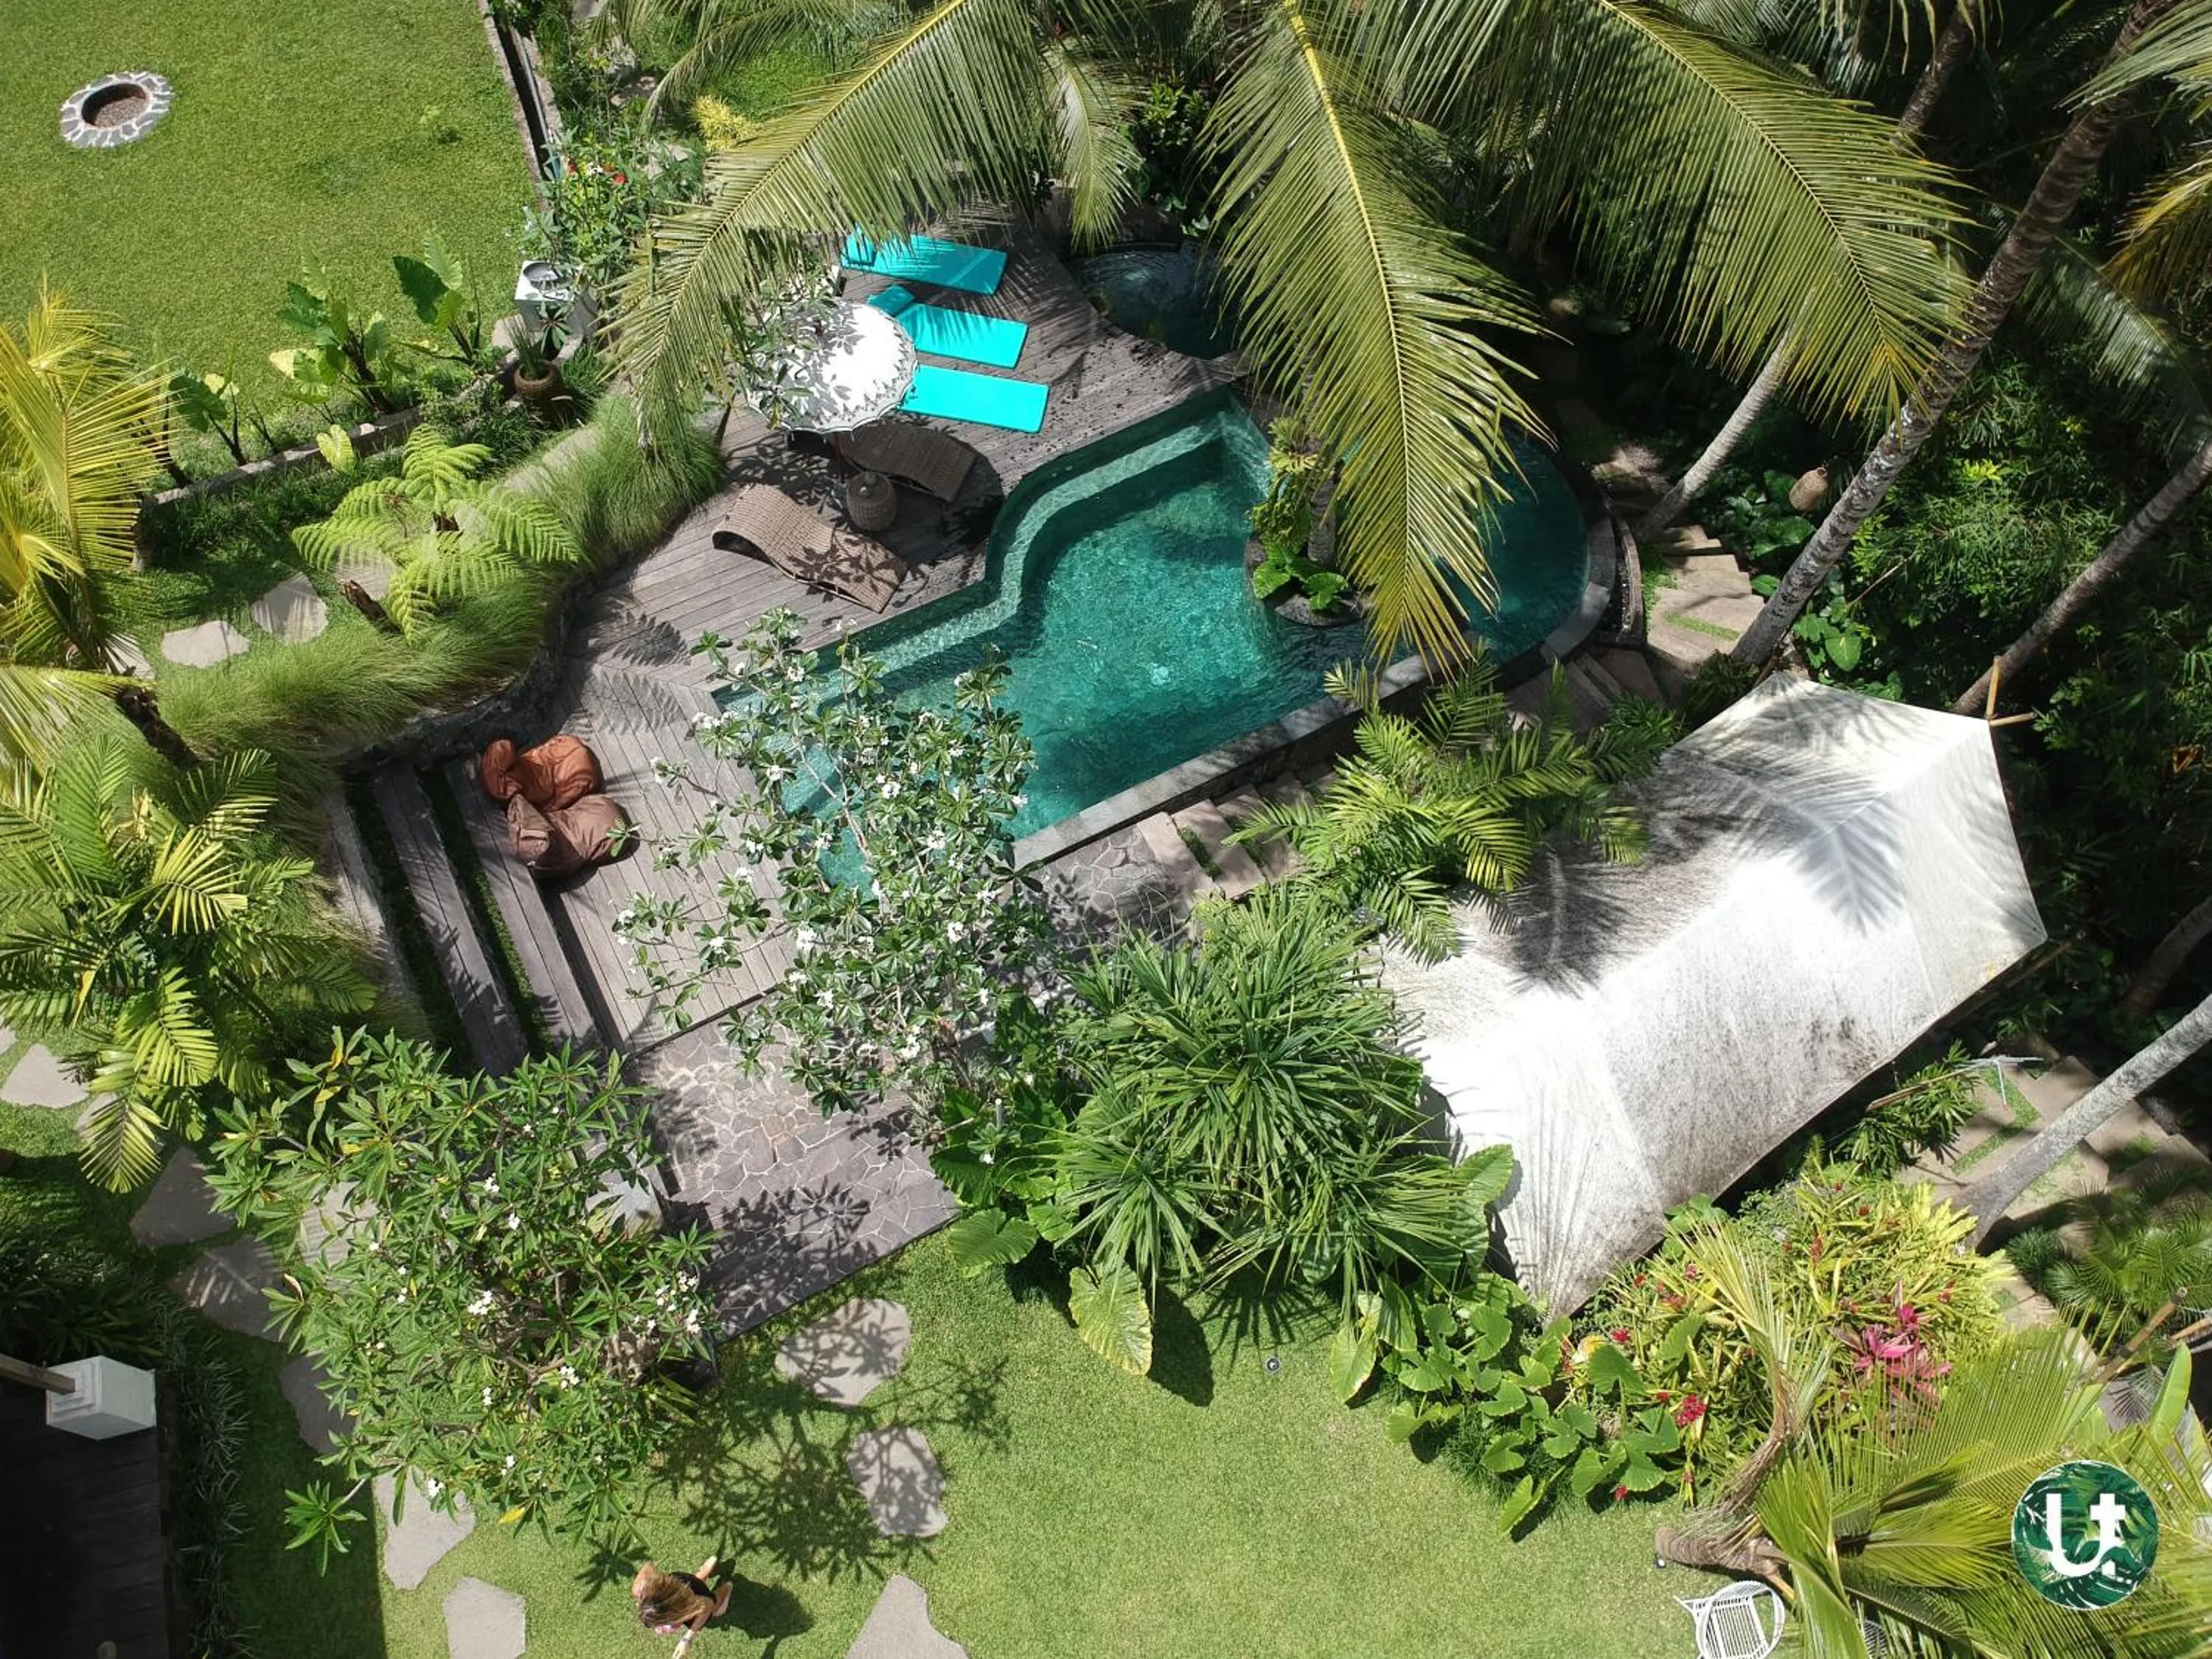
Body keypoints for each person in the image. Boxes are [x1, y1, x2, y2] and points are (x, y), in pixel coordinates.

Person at [632, 1559, 733, 1643]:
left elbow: (707, 1604)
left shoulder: (688, 1603)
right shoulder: (644, 1590)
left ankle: (726, 1588)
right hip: (679, 1581)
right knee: (695, 1582)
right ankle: (706, 1569)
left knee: (713, 1608)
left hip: (698, 1596)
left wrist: (687, 1639)